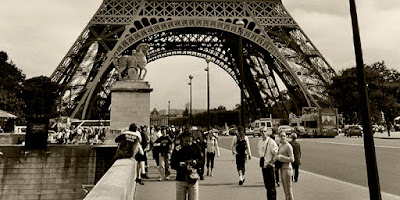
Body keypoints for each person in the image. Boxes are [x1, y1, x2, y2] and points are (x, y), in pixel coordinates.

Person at [171, 131, 203, 200]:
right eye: (186, 141)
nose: (188, 143)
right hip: (181, 179)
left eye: (190, 141)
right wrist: (179, 164)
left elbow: (202, 161)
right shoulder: (177, 149)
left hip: (193, 179)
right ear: (182, 139)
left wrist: (196, 163)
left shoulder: (196, 147)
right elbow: (172, 164)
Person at [258, 127, 278, 200]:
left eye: (264, 131)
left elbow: (275, 153)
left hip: (270, 166)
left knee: (272, 186)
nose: (263, 133)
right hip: (264, 166)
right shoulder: (260, 142)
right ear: (259, 133)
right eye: (261, 132)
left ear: (267, 132)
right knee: (267, 185)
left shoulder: (271, 142)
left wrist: (271, 162)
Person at [275, 132, 295, 200]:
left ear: (286, 136)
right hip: (282, 168)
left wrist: (281, 158)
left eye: (284, 136)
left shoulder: (288, 146)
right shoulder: (280, 145)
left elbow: (292, 159)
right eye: (281, 136)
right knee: (285, 190)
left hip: (287, 169)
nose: (282, 137)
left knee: (289, 190)